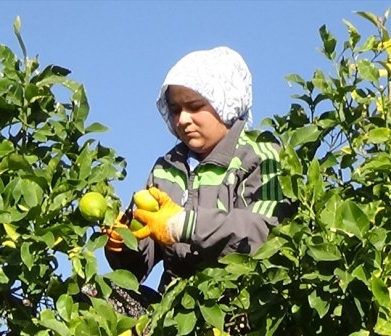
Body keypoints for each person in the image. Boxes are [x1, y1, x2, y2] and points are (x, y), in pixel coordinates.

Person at [105, 46, 289, 294]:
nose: (182, 120)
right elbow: (137, 268)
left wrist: (184, 225)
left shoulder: (260, 155)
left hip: (241, 304)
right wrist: (124, 246)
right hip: (174, 309)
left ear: (224, 103)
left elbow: (263, 234)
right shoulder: (166, 168)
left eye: (194, 106)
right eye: (176, 109)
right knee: (95, 294)